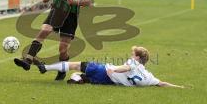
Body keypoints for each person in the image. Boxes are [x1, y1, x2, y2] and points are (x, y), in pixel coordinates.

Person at [14, 0, 92, 81]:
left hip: (71, 15)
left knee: (62, 50)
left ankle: (62, 70)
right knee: (45, 30)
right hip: (57, 8)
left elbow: (88, 2)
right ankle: (28, 60)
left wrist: (76, 2)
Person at [37, 46, 184, 88]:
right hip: (110, 82)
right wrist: (179, 87)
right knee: (85, 77)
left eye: (133, 54)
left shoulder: (133, 63)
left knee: (75, 65)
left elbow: (126, 68)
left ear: (138, 58)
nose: (131, 55)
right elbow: (162, 83)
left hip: (105, 71)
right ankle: (79, 79)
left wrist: (113, 69)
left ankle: (46, 68)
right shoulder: (148, 77)